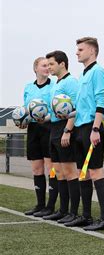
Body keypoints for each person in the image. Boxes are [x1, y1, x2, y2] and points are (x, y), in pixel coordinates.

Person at [69, 37, 104, 231]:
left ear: (92, 51)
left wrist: (95, 128)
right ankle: (86, 216)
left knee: (95, 172)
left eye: (80, 49)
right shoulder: (83, 75)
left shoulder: (98, 71)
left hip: (91, 129)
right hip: (79, 128)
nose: (77, 52)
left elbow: (101, 101)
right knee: (82, 174)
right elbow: (81, 107)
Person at [43, 51, 80, 223]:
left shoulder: (71, 82)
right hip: (54, 129)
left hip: (64, 130)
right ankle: (63, 210)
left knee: (70, 172)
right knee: (58, 172)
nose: (49, 67)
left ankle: (73, 212)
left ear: (62, 64)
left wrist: (68, 130)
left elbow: (75, 108)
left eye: (51, 64)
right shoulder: (56, 84)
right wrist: (40, 119)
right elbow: (55, 112)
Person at [23, 57, 56, 217]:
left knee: (51, 169)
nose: (47, 68)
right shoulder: (28, 87)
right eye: (44, 65)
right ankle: (40, 205)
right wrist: (22, 120)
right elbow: (25, 110)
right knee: (36, 168)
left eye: (49, 65)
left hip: (48, 128)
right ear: (35, 68)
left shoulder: (54, 86)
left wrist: (46, 118)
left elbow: (58, 108)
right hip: (33, 130)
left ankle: (50, 207)